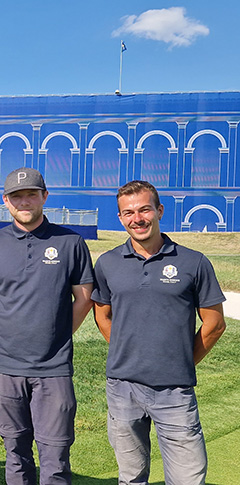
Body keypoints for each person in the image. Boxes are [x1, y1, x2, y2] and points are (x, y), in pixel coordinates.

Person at [91, 180, 226, 485]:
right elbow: (102, 314)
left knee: (187, 479)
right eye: (127, 213)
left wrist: (180, 360)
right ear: (121, 217)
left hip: (174, 391)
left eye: (144, 209)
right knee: (131, 477)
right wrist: (130, 350)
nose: (136, 219)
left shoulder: (194, 262)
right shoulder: (108, 263)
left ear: (159, 210)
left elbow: (215, 324)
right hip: (123, 388)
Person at [0, 167, 94, 485]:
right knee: (16, 455)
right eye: (17, 196)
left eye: (31, 194)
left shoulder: (70, 242)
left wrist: (55, 335)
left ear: (45, 196)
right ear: (6, 201)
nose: (24, 201)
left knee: (55, 458)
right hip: (3, 368)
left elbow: (83, 299)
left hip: (53, 369)